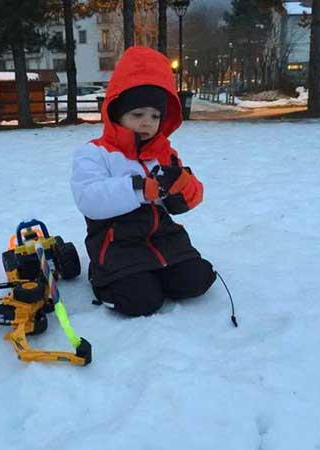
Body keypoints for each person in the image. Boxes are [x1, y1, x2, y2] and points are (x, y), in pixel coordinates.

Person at [70, 46, 215, 317]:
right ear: (117, 113)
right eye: (137, 114)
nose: (147, 122)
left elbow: (188, 199)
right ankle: (104, 278)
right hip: (117, 243)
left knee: (198, 279)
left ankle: (157, 274)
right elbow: (89, 198)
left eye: (155, 115)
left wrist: (182, 186)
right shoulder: (94, 153)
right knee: (141, 301)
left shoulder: (163, 153)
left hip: (164, 237)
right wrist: (139, 189)